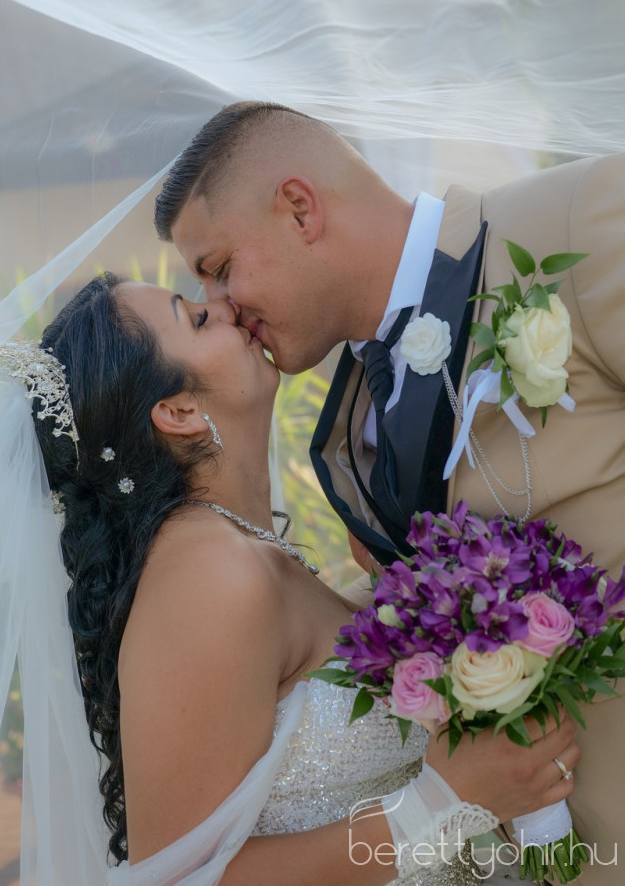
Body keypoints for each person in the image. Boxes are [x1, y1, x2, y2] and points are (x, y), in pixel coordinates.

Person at [0, 270, 579, 886]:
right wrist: (445, 801)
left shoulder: (238, 550)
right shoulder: (207, 575)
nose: (225, 306)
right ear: (178, 410)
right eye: (196, 318)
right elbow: (180, 879)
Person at [156, 100, 625, 883]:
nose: (222, 306)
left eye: (219, 266)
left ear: (299, 208)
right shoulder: (353, 421)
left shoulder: (571, 222)